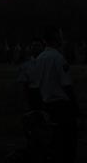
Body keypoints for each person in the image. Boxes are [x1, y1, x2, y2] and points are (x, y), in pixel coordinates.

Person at [35, 26, 80, 163]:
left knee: (53, 142)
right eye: (60, 36)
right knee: (67, 142)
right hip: (61, 106)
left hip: (46, 103)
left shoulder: (40, 58)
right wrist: (74, 105)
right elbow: (66, 84)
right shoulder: (58, 58)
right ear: (56, 39)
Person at [16, 38, 43, 111]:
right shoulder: (26, 65)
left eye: (38, 45)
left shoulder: (46, 62)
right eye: (34, 46)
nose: (36, 48)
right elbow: (22, 85)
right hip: (33, 93)